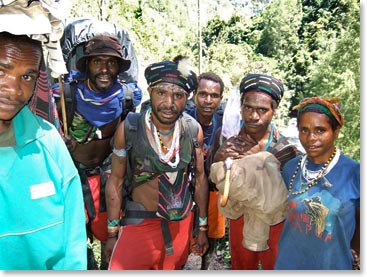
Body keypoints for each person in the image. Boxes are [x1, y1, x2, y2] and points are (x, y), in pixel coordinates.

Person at [104, 56, 209, 270]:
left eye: (178, 95)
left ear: (187, 98)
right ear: (150, 91)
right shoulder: (130, 128)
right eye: (162, 93)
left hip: (179, 222)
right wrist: (112, 232)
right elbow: (115, 180)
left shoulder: (192, 131)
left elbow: (199, 179)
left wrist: (202, 227)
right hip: (139, 221)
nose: (169, 103)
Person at [53, 34, 142, 269]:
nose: (104, 69)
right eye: (97, 62)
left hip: (108, 178)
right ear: (87, 65)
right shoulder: (66, 95)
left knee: (109, 234)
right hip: (72, 176)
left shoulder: (127, 98)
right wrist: (60, 140)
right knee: (72, 237)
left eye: (111, 62)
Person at [0, 31, 87, 269]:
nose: (15, 89)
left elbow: (73, 241)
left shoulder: (48, 142)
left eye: (27, 76)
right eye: (1, 72)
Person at [210, 73, 299, 269]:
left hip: (275, 224)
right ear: (240, 106)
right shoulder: (226, 137)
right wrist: (218, 159)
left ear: (274, 111)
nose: (253, 116)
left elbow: (294, 195)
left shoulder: (285, 150)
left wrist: (259, 159)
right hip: (238, 219)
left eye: (262, 110)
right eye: (248, 107)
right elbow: (211, 180)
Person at [274, 97, 360, 270]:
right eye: (304, 130)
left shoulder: (354, 173)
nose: (311, 138)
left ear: (335, 131)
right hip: (288, 265)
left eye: (320, 130)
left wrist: (356, 248)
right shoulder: (291, 168)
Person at [185, 72, 226, 270]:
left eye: (214, 95)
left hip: (212, 190)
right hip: (182, 188)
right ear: (194, 95)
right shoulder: (183, 120)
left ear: (221, 98)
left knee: (209, 240)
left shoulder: (226, 125)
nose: (208, 100)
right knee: (180, 240)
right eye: (203, 94)